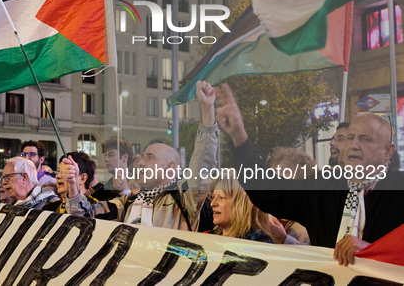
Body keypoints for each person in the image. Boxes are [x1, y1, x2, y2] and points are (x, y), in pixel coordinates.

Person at [215, 83, 404, 266]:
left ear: (388, 151)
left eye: (365, 139)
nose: (354, 145)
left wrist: (372, 251)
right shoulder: (324, 185)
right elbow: (268, 190)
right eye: (349, 138)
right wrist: (239, 137)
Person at [65, 81, 219, 231]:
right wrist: (72, 187)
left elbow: (203, 161)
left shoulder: (184, 198)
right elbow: (83, 216)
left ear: (170, 167)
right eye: (143, 157)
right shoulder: (129, 202)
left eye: (150, 157)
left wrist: (207, 109)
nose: (140, 163)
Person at [209, 176, 273, 243]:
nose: (212, 204)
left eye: (221, 198)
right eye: (213, 197)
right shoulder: (207, 238)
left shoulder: (260, 243)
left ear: (242, 203)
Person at [44, 152, 95, 216]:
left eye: (66, 172)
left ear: (82, 178)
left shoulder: (95, 208)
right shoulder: (50, 207)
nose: (58, 176)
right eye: (59, 171)